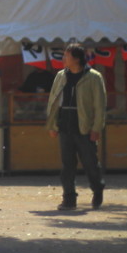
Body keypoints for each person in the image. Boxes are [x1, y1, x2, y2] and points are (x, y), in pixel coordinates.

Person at [45, 43, 106, 211]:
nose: (63, 58)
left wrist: (97, 128)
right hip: (65, 124)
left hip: (84, 126)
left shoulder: (93, 77)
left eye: (67, 56)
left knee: (90, 163)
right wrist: (52, 124)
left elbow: (100, 105)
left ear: (77, 59)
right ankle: (69, 199)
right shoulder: (60, 76)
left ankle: (98, 188)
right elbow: (53, 100)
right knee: (67, 166)